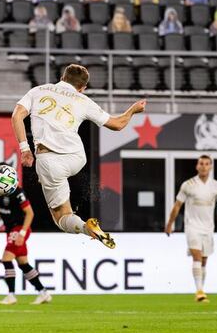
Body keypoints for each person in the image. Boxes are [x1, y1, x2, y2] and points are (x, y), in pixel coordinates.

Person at [12, 64, 146, 249]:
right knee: (62, 182)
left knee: (61, 217)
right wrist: (132, 110)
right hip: (76, 156)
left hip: (49, 159)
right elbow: (118, 124)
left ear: (62, 77)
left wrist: (24, 148)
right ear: (82, 87)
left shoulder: (38, 91)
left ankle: (83, 225)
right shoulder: (83, 100)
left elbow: (17, 115)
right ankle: (84, 220)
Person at [165, 155, 217, 303]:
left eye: (206, 164)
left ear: (210, 167)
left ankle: (200, 289)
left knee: (204, 260)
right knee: (196, 256)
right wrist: (170, 223)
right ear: (197, 166)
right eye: (201, 164)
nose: (203, 166)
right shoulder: (188, 185)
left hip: (208, 228)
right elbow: (178, 205)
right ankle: (199, 291)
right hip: (192, 226)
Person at [0, 179, 50, 305]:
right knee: (23, 264)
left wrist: (22, 233)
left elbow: (30, 213)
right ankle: (43, 292)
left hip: (19, 228)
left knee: (6, 259)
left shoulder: (17, 192)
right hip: (10, 229)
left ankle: (11, 295)